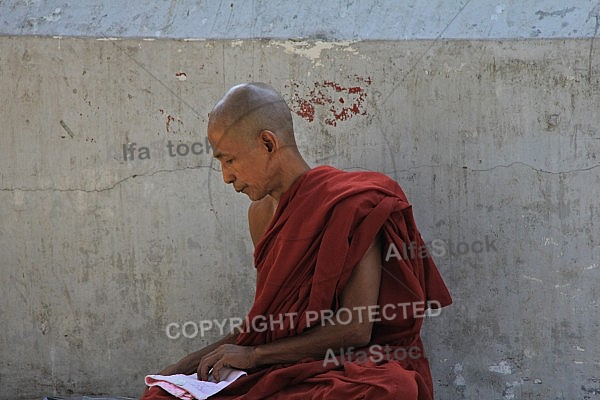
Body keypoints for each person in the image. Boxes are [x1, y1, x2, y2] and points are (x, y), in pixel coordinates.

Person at [141, 82, 452, 399]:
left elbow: (356, 329)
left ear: (267, 143)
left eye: (229, 160)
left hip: (347, 365)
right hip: (285, 366)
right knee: (161, 396)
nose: (225, 176)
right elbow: (267, 322)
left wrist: (255, 356)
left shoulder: (350, 205)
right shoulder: (260, 214)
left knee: (391, 390)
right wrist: (187, 365)